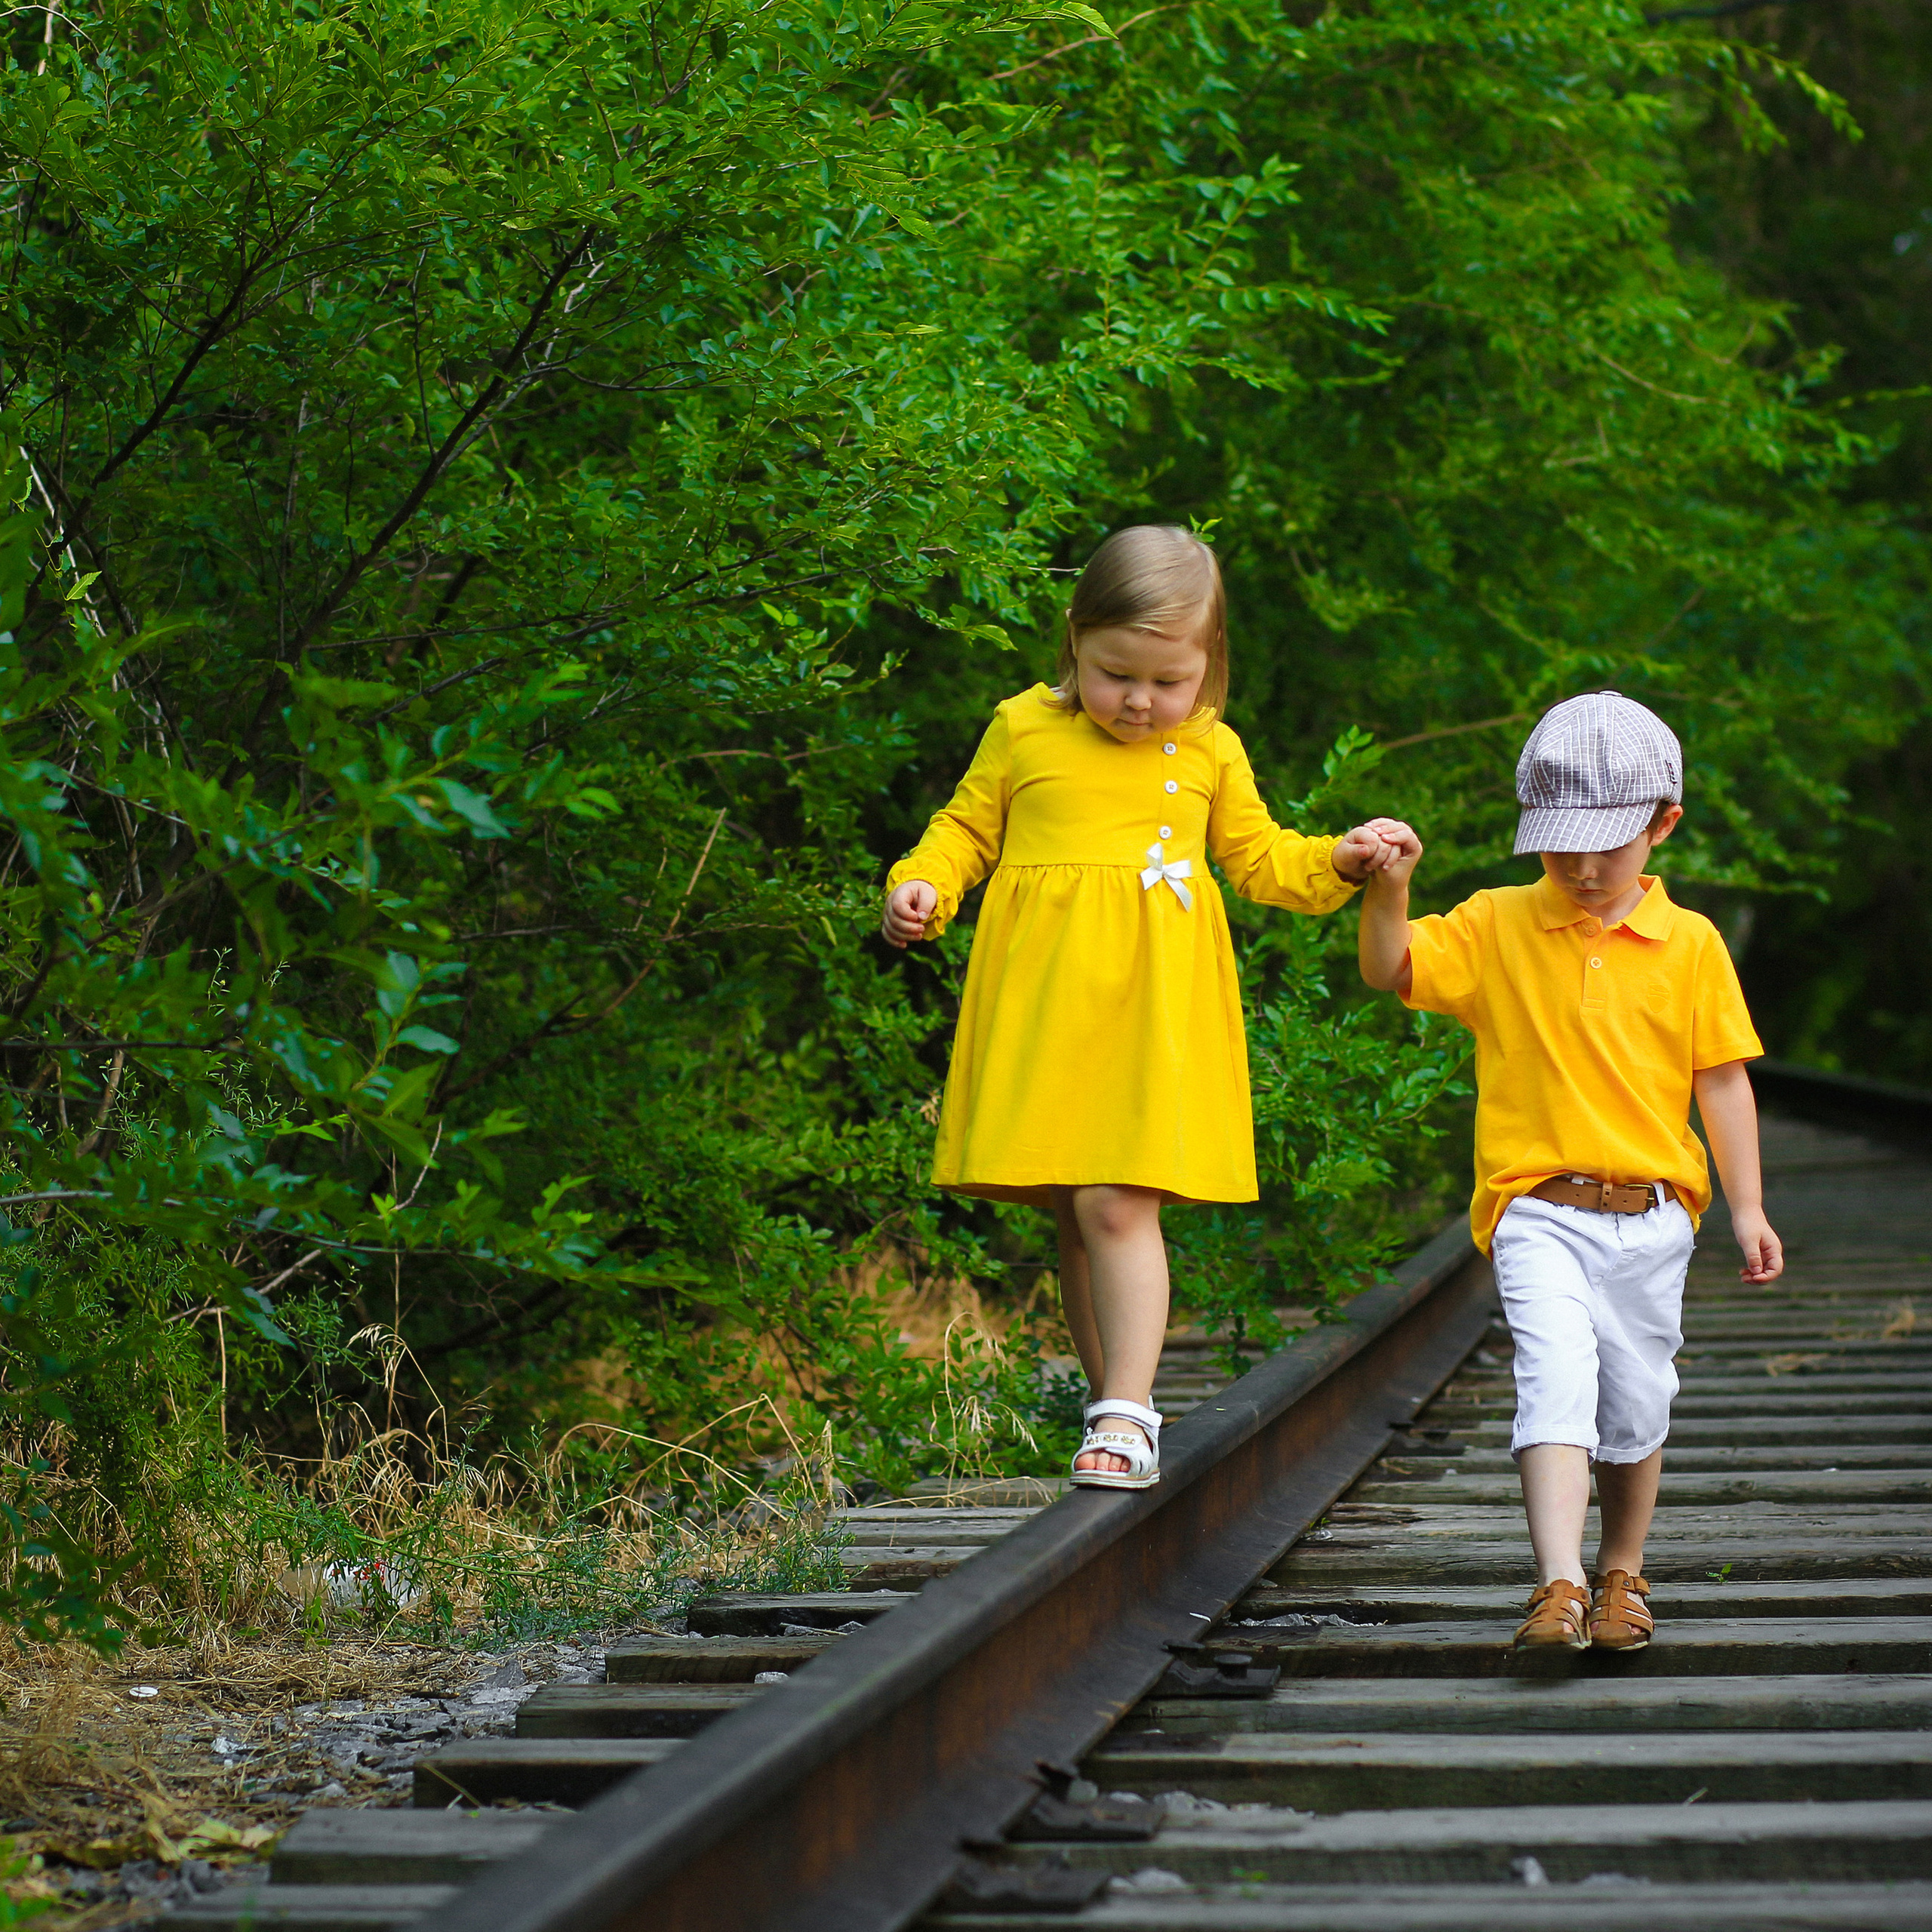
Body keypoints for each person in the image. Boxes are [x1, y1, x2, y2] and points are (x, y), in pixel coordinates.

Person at [881, 526, 1413, 1489]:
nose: (1138, 701)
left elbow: (1258, 859)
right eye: (1113, 673)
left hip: (1152, 1006)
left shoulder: (1208, 748)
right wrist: (923, 884)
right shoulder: (1023, 727)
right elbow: (963, 829)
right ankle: (1108, 1403)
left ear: (1209, 668)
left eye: (1168, 682)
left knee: (1119, 1202)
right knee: (1077, 1211)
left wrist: (1337, 858)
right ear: (1074, 642)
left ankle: (1128, 1412)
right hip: (1045, 1002)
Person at [1357, 691, 1782, 1651]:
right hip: (1535, 1208)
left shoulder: (1693, 945)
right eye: (1559, 847)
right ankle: (1555, 1584)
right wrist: (1389, 889)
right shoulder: (1498, 923)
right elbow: (1392, 969)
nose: (1584, 869)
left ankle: (1621, 1572)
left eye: (1609, 845)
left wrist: (1746, 1207)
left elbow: (1722, 1085)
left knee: (1637, 1400)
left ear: (1662, 823)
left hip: (1653, 1213)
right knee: (1552, 1380)